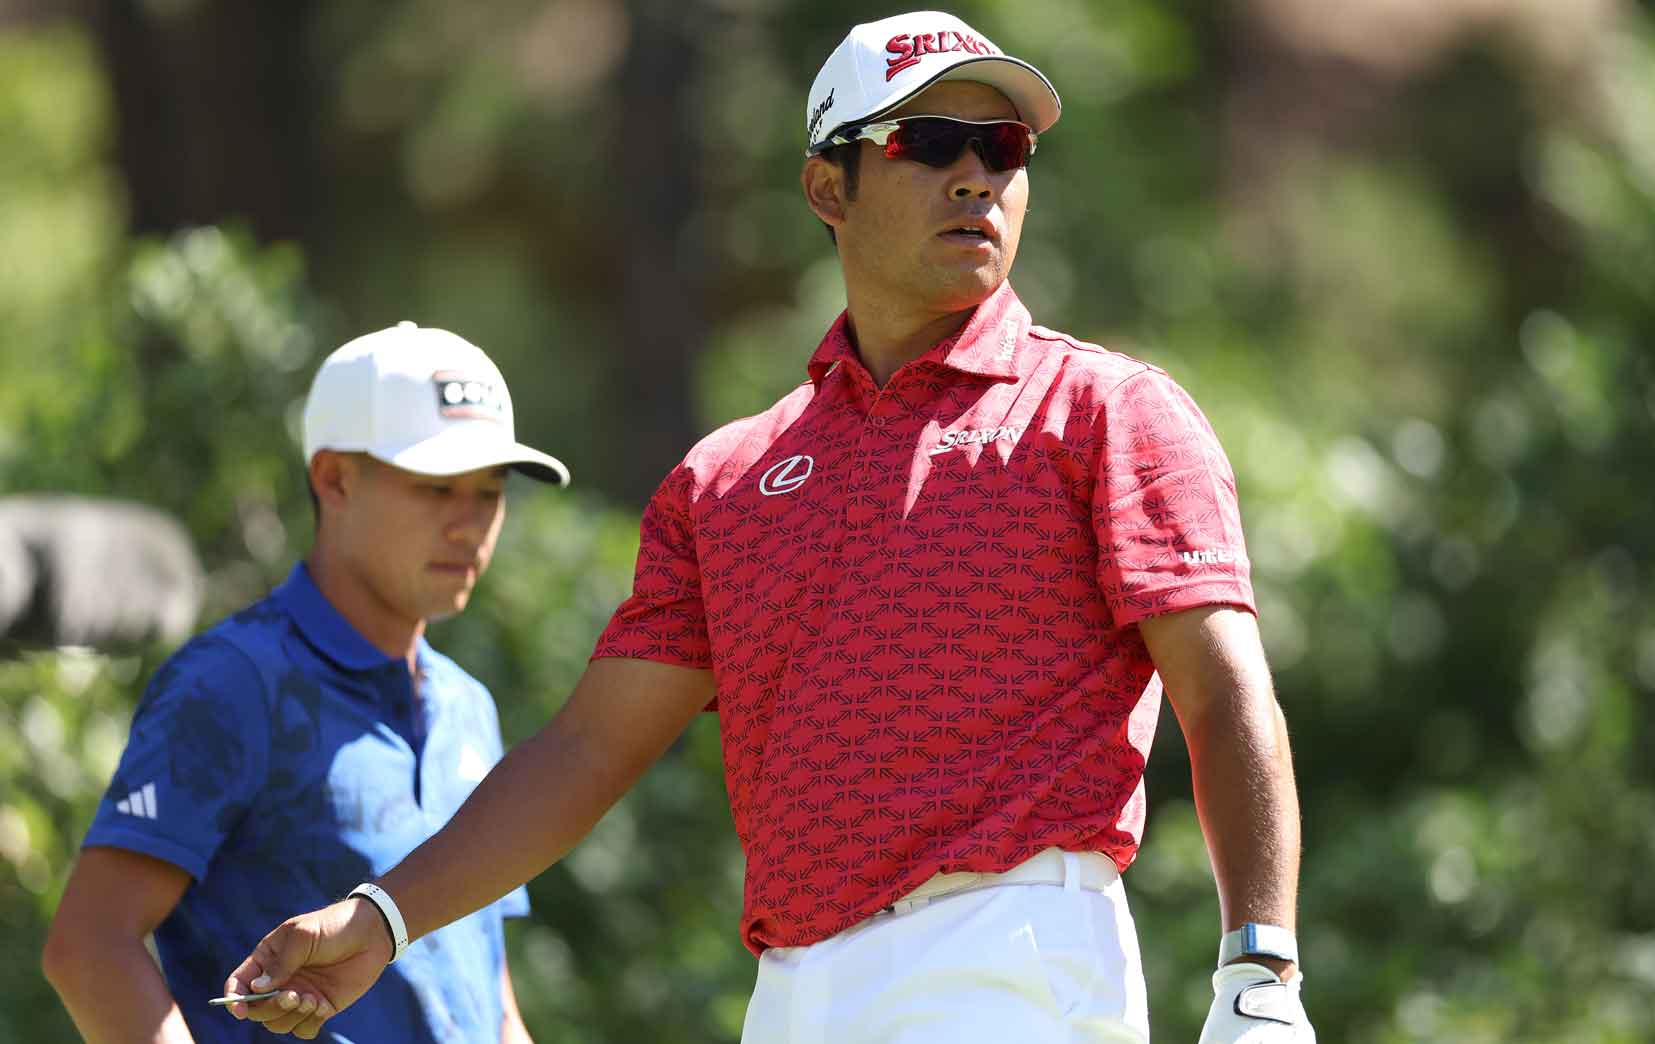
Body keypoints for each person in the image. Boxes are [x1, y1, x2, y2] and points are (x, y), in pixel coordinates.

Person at [220, 11, 1316, 1043]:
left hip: (1013, 954)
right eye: (930, 140)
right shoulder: (726, 479)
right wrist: (382, 917)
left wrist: (1257, 969)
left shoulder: (1105, 412)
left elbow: (1222, 695)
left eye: (1004, 146)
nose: (977, 174)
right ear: (825, 185)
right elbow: (587, 747)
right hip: (794, 987)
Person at [41, 321, 570, 1044]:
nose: (470, 523)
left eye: (490, 491)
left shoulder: (467, 704)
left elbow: (488, 992)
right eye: (437, 487)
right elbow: (88, 946)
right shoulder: (232, 682)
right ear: (334, 479)